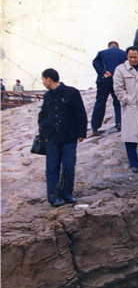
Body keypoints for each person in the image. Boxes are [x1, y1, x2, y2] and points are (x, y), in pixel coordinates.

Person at [38, 68, 87, 206]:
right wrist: (44, 133)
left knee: (68, 166)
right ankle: (53, 197)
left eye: (43, 79)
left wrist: (81, 133)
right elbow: (42, 116)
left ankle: (67, 194)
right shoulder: (47, 96)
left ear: (49, 79)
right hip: (52, 138)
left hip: (69, 136)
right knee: (52, 167)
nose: (43, 83)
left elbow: (80, 114)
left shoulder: (72, 92)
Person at [91, 41, 126, 135]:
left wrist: (103, 72)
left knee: (100, 103)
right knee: (118, 102)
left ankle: (95, 127)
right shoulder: (124, 53)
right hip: (118, 81)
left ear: (109, 46)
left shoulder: (102, 53)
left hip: (104, 81)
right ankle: (119, 124)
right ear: (118, 47)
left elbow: (95, 62)